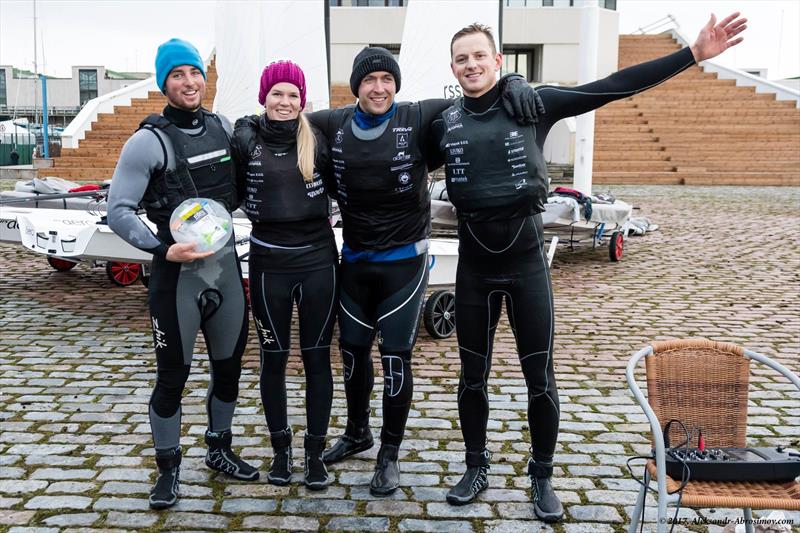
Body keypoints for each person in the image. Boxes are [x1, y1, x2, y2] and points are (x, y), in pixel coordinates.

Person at [433, 14, 746, 521]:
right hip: (474, 272)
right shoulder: (441, 120)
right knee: (473, 377)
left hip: (526, 266)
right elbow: (385, 139)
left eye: (479, 56)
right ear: (453, 66)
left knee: (541, 377)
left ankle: (541, 475)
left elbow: (612, 88)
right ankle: (475, 466)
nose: (471, 64)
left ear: (497, 61)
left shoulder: (533, 104)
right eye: (461, 58)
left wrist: (692, 54)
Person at [307, 47, 541, 496]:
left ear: (397, 85)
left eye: (387, 81)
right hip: (355, 262)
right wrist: (246, 124)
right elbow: (286, 118)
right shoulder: (332, 123)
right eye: (369, 81)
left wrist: (512, 81)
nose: (379, 89)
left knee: (395, 358)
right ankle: (358, 432)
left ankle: (389, 454)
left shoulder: (418, 117)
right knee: (353, 354)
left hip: (404, 264)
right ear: (356, 86)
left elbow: (477, 101)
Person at [107, 38, 258, 510]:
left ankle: (219, 448)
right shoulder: (147, 141)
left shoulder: (223, 128)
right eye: (177, 75)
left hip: (227, 272)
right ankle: (168, 470)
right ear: (164, 83)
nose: (189, 82)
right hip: (177, 279)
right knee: (173, 375)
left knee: (229, 369)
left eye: (194, 72)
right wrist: (160, 248)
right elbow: (118, 210)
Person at [230, 61, 338, 490]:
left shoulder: (317, 139)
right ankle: (281, 450)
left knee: (316, 359)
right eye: (277, 93)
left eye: (293, 94)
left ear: (303, 100)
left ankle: (314, 454)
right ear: (264, 97)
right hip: (268, 262)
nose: (285, 101)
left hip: (317, 263)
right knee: (273, 360)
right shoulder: (245, 138)